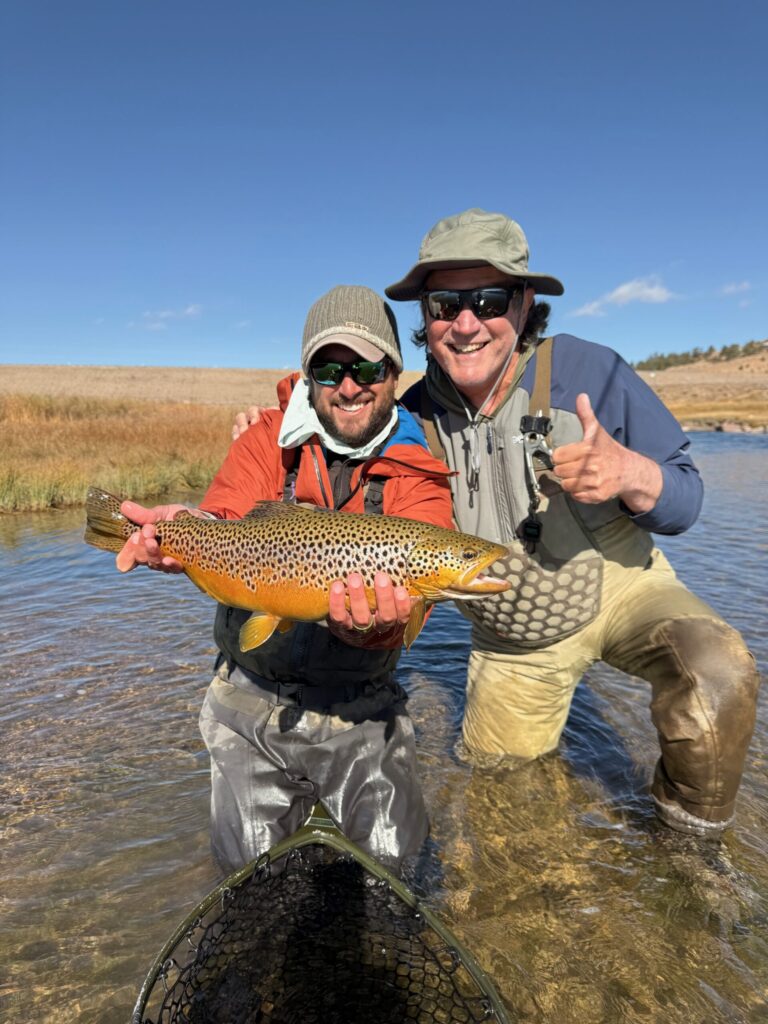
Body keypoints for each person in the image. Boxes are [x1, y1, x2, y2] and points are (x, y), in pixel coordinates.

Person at [375, 207, 758, 838]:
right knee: (500, 806)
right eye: (444, 304)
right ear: (425, 316)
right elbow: (339, 475)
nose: (465, 323)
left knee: (718, 673)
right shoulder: (411, 417)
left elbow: (686, 497)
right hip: (513, 641)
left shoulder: (588, 371)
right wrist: (275, 434)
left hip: (626, 590)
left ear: (524, 304)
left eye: (488, 299)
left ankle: (688, 846)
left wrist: (633, 474)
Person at [115, 284, 454, 874]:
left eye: (367, 365)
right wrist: (185, 529)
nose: (349, 385)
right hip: (246, 697)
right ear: (308, 376)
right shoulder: (264, 436)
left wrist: (370, 630)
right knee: (246, 882)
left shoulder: (418, 471)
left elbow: (415, 586)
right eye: (329, 367)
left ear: (394, 372)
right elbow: (223, 516)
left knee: (398, 873)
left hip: (360, 707)